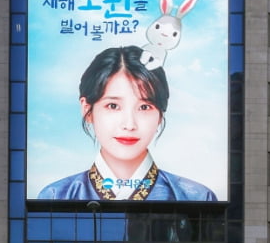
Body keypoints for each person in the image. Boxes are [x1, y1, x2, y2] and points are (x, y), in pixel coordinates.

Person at [37, 45, 217, 201]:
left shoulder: (195, 197)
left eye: (145, 107)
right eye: (113, 105)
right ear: (87, 109)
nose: (129, 124)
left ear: (160, 115)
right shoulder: (56, 195)